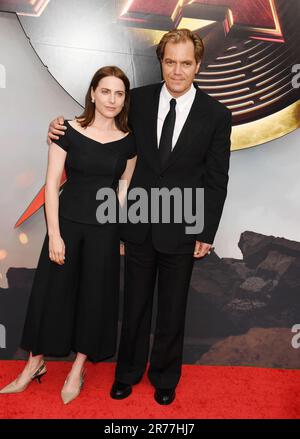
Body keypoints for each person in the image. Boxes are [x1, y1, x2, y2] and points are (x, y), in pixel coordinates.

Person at [47, 28, 232, 405]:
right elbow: (101, 125)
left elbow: (217, 178)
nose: (177, 71)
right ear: (161, 62)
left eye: (185, 64)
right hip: (138, 221)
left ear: (198, 66)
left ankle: (165, 376)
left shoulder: (216, 114)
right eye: (169, 62)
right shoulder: (138, 100)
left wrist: (207, 231)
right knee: (134, 304)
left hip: (183, 222)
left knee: (173, 308)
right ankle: (128, 372)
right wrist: (59, 127)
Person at [0, 66, 137, 404]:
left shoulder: (129, 141)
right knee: (52, 295)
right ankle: (34, 365)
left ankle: (78, 368)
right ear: (92, 93)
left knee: (94, 298)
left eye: (119, 93)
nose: (112, 99)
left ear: (124, 100)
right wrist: (55, 235)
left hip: (104, 233)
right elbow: (50, 185)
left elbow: (122, 191)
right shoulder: (67, 131)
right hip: (67, 226)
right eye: (105, 91)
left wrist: (117, 234)